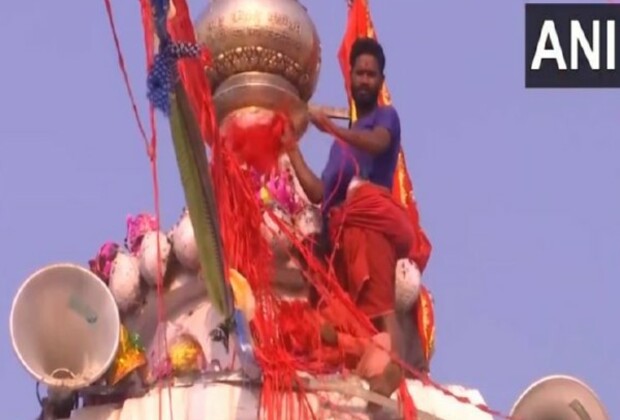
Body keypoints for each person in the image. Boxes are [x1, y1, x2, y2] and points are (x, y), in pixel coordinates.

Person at [283, 37, 420, 398]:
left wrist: (331, 128)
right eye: (358, 73)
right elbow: (318, 193)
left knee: (382, 306)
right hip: (343, 229)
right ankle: (371, 366)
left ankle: (397, 369)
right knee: (354, 313)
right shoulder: (338, 149)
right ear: (350, 79)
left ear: (380, 81)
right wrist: (291, 149)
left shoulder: (384, 118)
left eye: (370, 74)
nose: (363, 80)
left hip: (370, 216)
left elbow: (376, 143)